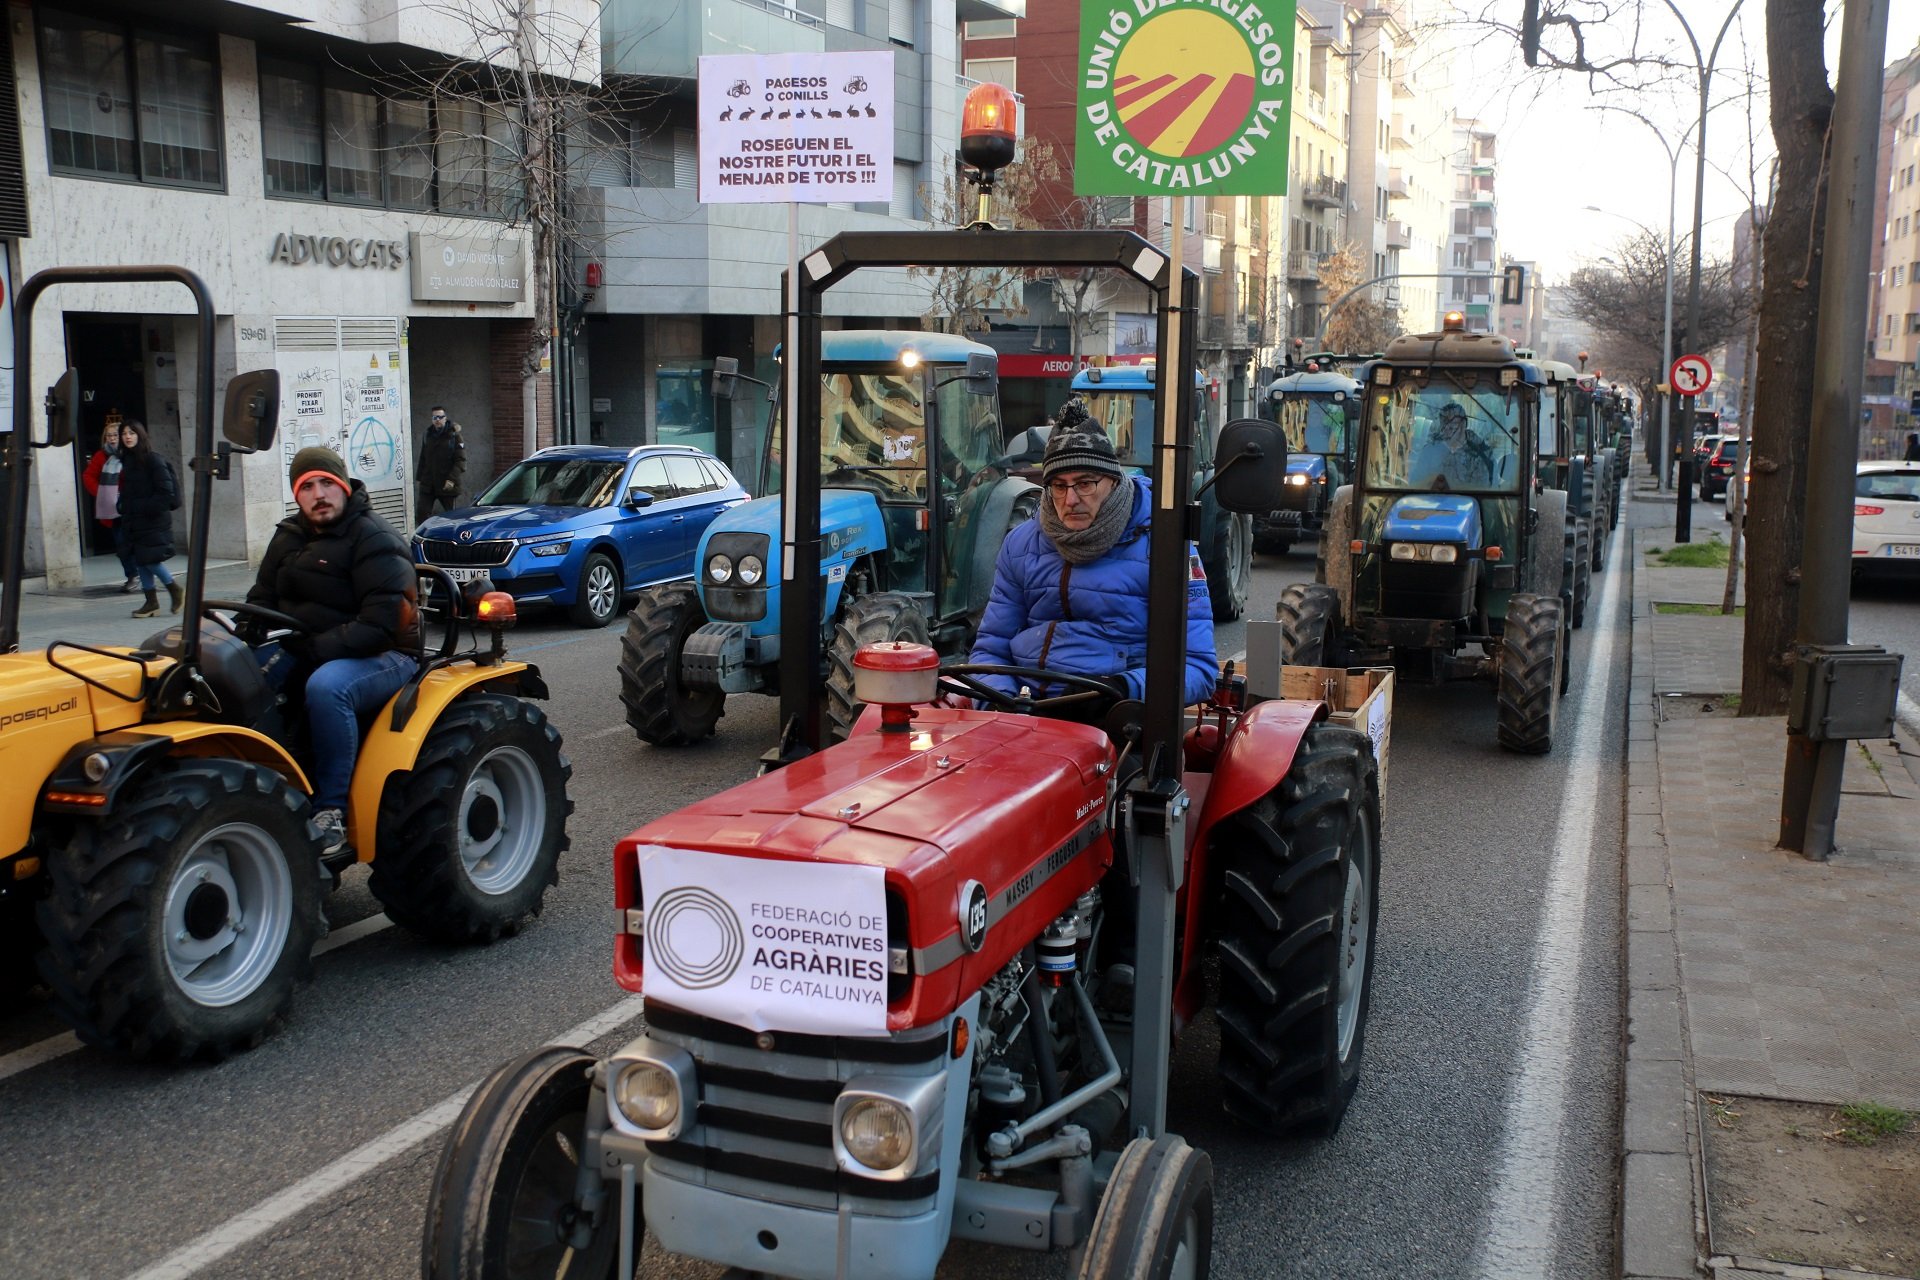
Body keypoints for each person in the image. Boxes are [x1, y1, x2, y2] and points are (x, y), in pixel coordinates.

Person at [247, 446, 421, 857]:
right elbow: (263, 596)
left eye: (327, 483)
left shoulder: (374, 537)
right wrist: (245, 632)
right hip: (311, 644)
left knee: (328, 687)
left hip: (386, 653)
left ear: (344, 487)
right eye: (307, 486)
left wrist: (314, 650)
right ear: (297, 494)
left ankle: (331, 811)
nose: (318, 494)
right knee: (233, 677)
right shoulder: (288, 536)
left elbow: (381, 624)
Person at [970, 426, 1216, 712]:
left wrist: (1123, 688)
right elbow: (991, 649)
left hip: (1116, 713)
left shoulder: (1166, 547)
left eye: (1085, 484)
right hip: (1028, 709)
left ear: (1112, 480)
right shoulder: (1021, 545)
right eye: (1059, 486)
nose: (1070, 500)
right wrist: (999, 701)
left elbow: (1198, 667)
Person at [115, 420, 182, 619]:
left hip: (153, 519)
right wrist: (123, 506)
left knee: (149, 559)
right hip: (135, 519)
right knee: (141, 560)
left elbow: (165, 492)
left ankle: (174, 588)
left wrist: (142, 508)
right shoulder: (127, 462)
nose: (127, 436)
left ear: (140, 436)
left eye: (132, 433)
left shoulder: (154, 460)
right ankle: (151, 602)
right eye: (124, 433)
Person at [81, 423, 139, 593]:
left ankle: (146, 575)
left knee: (137, 543)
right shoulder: (101, 456)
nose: (112, 438)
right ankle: (132, 575)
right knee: (122, 545)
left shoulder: (131, 454)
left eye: (115, 435)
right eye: (109, 436)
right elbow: (88, 476)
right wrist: (101, 493)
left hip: (133, 506)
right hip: (113, 510)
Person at [1411, 402, 1497, 489]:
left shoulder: (1481, 455)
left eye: (1452, 425)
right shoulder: (1429, 452)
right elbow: (1414, 484)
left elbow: (1487, 489)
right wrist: (1431, 480)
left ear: (1463, 425)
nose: (1447, 429)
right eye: (1444, 425)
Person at [416, 405, 467, 516]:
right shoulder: (428, 435)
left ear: (445, 418)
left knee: (451, 515)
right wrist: (420, 478)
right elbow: (423, 458)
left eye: (440, 417)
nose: (437, 420)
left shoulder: (454, 436)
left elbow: (460, 461)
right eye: (435, 418)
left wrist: (451, 479)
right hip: (429, 483)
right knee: (422, 512)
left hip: (447, 483)